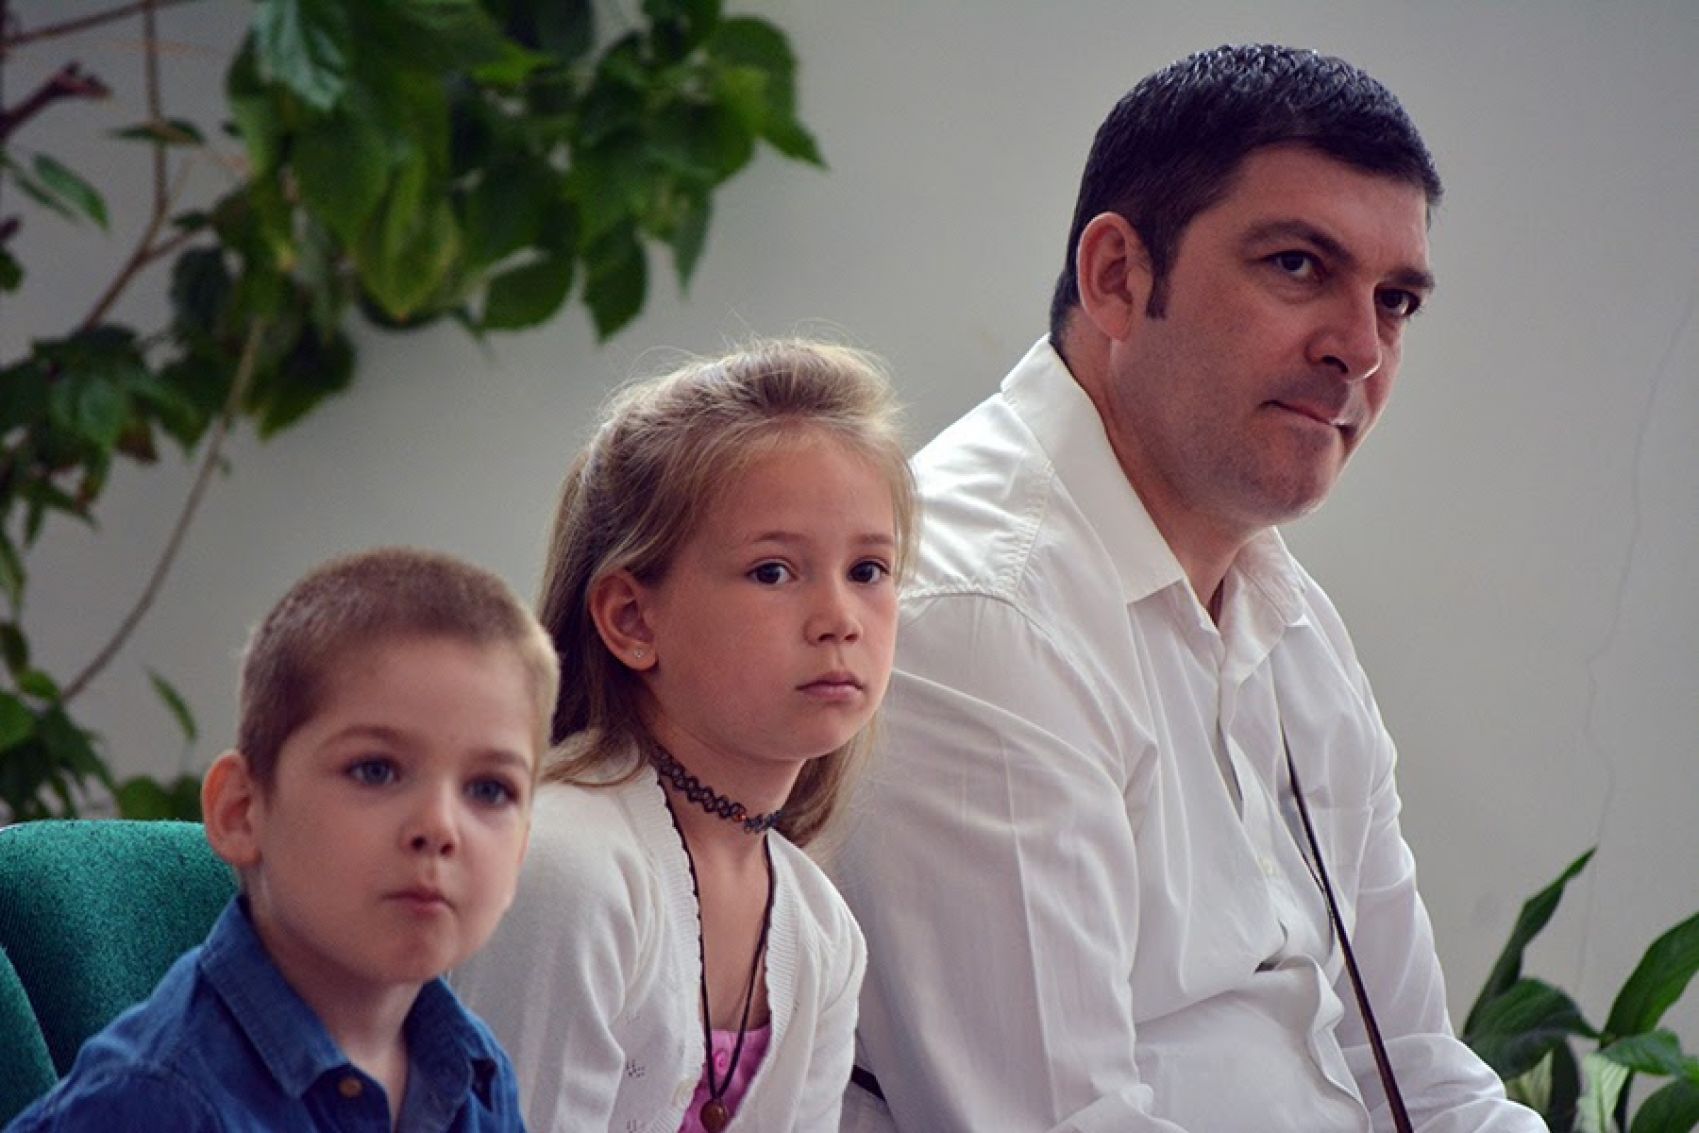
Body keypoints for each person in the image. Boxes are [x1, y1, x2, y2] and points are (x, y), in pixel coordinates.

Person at [835, 44, 1543, 1133]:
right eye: (1297, 265)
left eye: (1395, 300)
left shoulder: (1287, 616)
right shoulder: (982, 615)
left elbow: (1411, 1070)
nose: (1359, 348)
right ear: (1118, 276)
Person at [451, 340, 916, 1132]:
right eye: (773, 571)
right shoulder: (566, 865)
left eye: (868, 570)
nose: (840, 618)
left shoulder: (819, 929)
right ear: (633, 619)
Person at [6, 547, 559, 1132]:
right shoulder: (154, 1104)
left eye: (490, 790)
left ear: (520, 849)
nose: (440, 827)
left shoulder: (474, 1068)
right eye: (375, 770)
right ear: (242, 812)